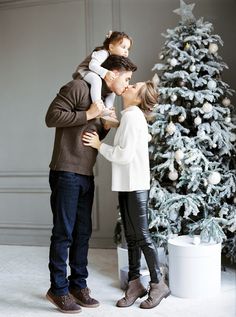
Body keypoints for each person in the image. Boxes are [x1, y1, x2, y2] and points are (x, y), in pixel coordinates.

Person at [45, 54, 137, 314]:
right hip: (65, 170)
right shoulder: (78, 87)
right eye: (127, 78)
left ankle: (78, 286)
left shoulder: (108, 100)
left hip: (86, 173)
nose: (128, 84)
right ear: (113, 73)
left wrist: (105, 124)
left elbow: (92, 134)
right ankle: (58, 290)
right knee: (64, 233)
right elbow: (51, 117)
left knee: (82, 233)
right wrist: (89, 113)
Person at [83, 80, 171, 309]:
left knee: (140, 235)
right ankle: (134, 284)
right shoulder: (131, 116)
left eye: (134, 87)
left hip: (134, 185)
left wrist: (98, 145)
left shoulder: (133, 117)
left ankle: (157, 283)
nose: (128, 86)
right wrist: (114, 123)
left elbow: (123, 155)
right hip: (128, 184)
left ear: (139, 98)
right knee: (131, 236)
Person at [72, 31, 133, 127]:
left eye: (128, 49)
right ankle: (98, 105)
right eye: (123, 47)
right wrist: (106, 73)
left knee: (111, 91)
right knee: (96, 80)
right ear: (111, 47)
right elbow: (92, 66)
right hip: (84, 71)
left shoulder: (113, 59)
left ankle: (108, 111)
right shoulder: (103, 53)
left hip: (95, 73)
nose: (126, 51)